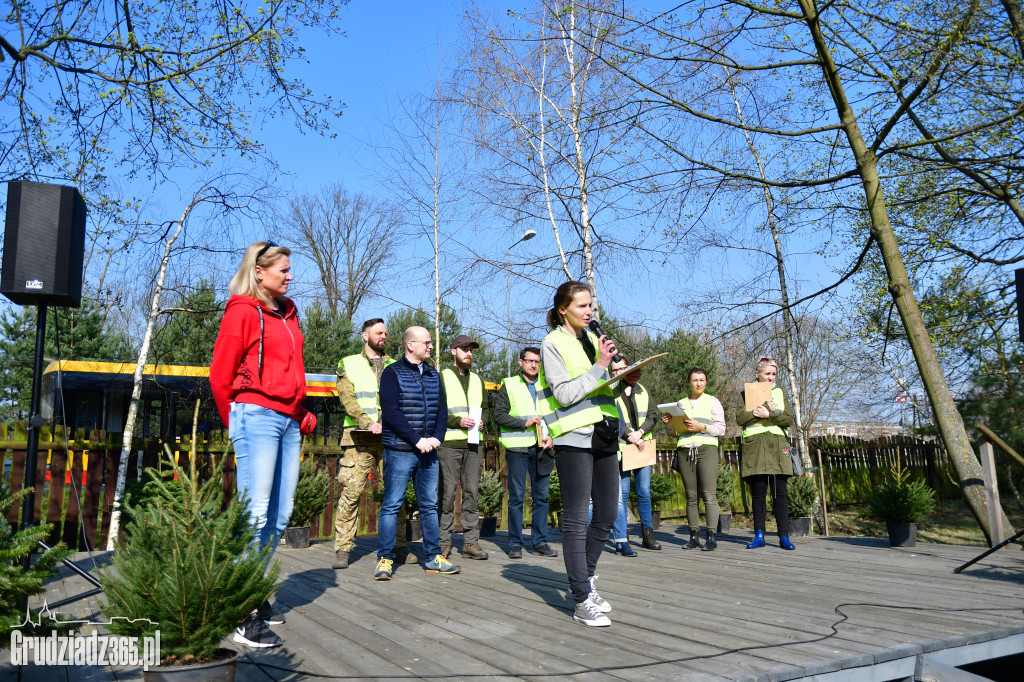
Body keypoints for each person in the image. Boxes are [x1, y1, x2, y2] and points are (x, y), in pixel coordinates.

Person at [210, 240, 317, 648]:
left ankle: (252, 592)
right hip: (255, 416)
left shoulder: (289, 313)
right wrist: (237, 421)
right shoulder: (241, 311)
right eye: (283, 270)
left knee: (280, 514)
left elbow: (290, 371)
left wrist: (299, 411)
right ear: (259, 271)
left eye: (289, 269)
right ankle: (240, 609)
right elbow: (220, 376)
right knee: (254, 514)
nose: (290, 276)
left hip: (288, 420)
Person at [536, 281, 619, 627]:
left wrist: (619, 375)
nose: (589, 312)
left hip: (605, 432)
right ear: (562, 310)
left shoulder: (591, 340)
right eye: (582, 306)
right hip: (573, 435)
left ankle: (586, 578)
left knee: (608, 513)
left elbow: (599, 388)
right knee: (575, 518)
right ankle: (581, 599)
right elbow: (565, 394)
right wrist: (599, 366)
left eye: (591, 306)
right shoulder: (552, 343)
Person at [374, 326, 460, 580]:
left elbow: (442, 409)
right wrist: (416, 440)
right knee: (392, 505)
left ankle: (433, 557)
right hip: (400, 450)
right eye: (427, 342)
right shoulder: (392, 373)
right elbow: (391, 412)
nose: (431, 346)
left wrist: (436, 438)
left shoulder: (434, 374)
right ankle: (385, 559)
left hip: (428, 451)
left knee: (429, 506)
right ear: (411, 345)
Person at [331, 318, 407, 569]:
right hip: (358, 439)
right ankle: (343, 549)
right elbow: (347, 399)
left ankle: (399, 546)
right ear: (365, 336)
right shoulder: (348, 363)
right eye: (378, 333)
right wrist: (367, 422)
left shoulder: (396, 365)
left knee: (396, 494)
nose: (384, 336)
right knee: (351, 494)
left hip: (391, 438)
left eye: (385, 333)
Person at [493, 347, 557, 559]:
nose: (533, 365)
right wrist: (524, 422)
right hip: (518, 449)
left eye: (537, 362)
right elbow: (499, 416)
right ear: (520, 362)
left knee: (541, 498)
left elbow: (555, 415)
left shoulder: (547, 385)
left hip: (543, 449)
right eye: (529, 361)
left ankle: (540, 542)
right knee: (516, 498)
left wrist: (553, 436)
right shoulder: (509, 384)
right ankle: (515, 544)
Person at [661, 366, 726, 551]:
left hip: (706, 450)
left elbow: (721, 429)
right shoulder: (680, 404)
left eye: (702, 380)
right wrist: (667, 425)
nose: (699, 383)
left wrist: (702, 427)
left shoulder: (713, 402)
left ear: (706, 382)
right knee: (691, 496)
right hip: (684, 451)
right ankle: (694, 536)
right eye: (695, 380)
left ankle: (711, 537)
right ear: (689, 382)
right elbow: (674, 433)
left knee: (709, 495)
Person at [735, 356, 796, 550]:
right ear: (757, 373)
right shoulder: (746, 393)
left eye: (774, 374)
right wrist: (756, 413)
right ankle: (759, 535)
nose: (771, 377)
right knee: (759, 493)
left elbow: (788, 419)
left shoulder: (779, 392)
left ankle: (784, 537)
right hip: (755, 447)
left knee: (780, 493)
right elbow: (740, 419)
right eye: (767, 373)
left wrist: (769, 414)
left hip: (778, 446)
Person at [438, 335, 488, 560]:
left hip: (474, 444)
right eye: (464, 349)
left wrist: (482, 421)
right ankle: (443, 543)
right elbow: (436, 411)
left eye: (471, 350)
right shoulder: (442, 377)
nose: (468, 353)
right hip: (449, 444)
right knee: (447, 493)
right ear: (453, 351)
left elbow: (485, 408)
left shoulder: (477, 379)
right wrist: (458, 421)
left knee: (472, 493)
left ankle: (470, 542)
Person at [610, 356, 661, 556]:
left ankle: (648, 535)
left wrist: (640, 432)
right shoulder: (612, 392)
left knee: (644, 492)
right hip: (623, 448)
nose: (619, 373)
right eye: (615, 370)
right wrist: (629, 435)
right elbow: (613, 418)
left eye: (622, 368)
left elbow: (653, 415)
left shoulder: (643, 390)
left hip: (642, 447)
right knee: (622, 494)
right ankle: (623, 536)